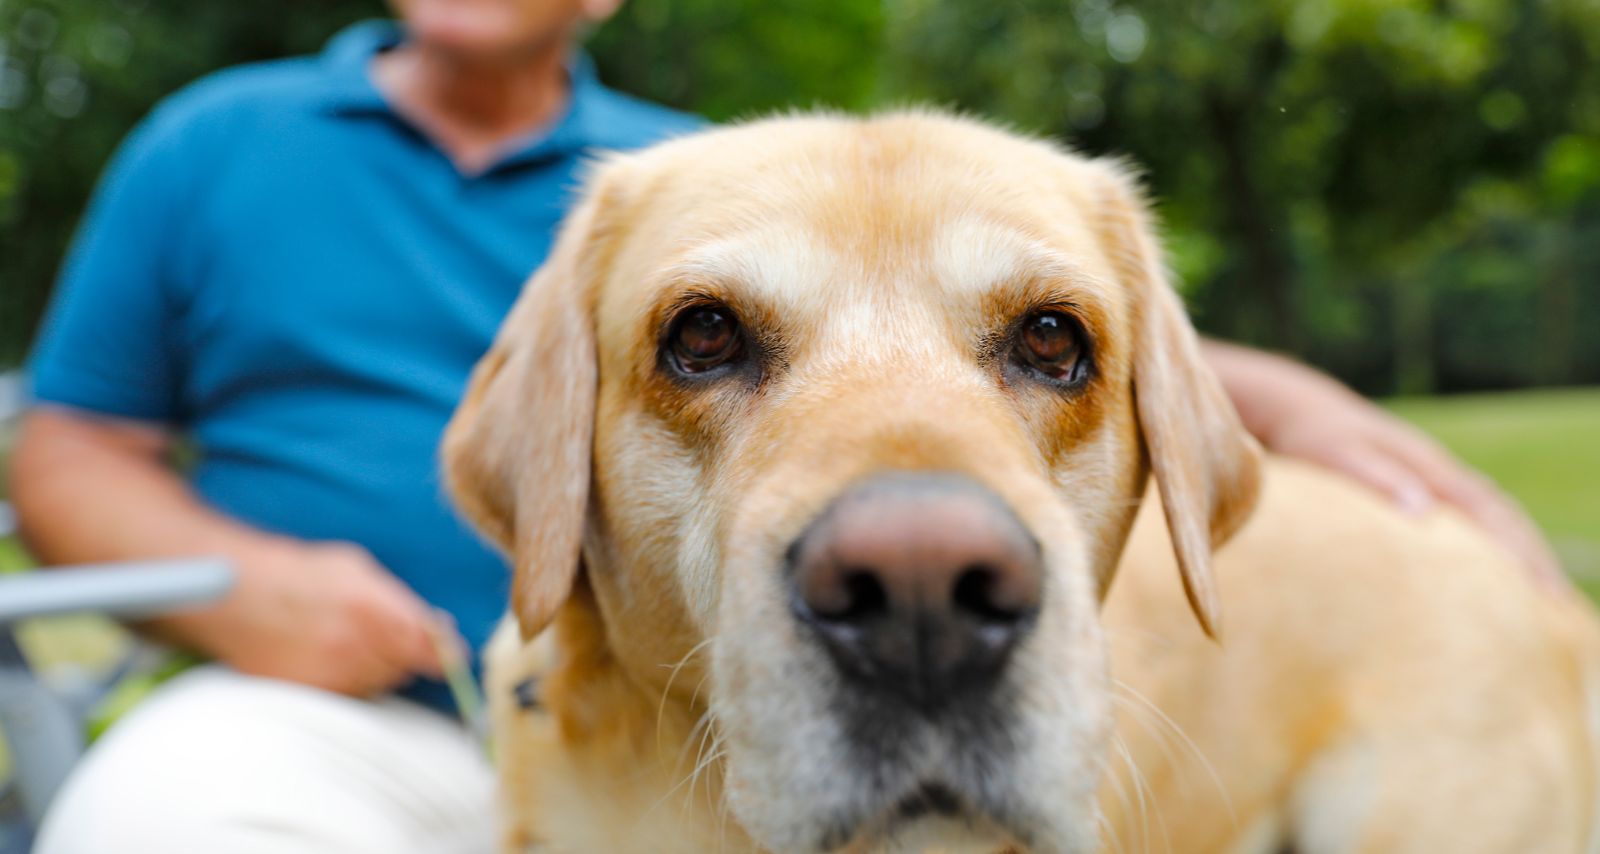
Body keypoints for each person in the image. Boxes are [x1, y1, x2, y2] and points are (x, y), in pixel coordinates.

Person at [7, 0, 1560, 850]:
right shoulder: (212, 145)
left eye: (1044, 345)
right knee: (162, 817)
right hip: (356, 720)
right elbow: (65, 452)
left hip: (710, 746)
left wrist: (1283, 401)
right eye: (708, 341)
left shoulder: (723, 166)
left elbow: (998, 291)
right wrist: (243, 584)